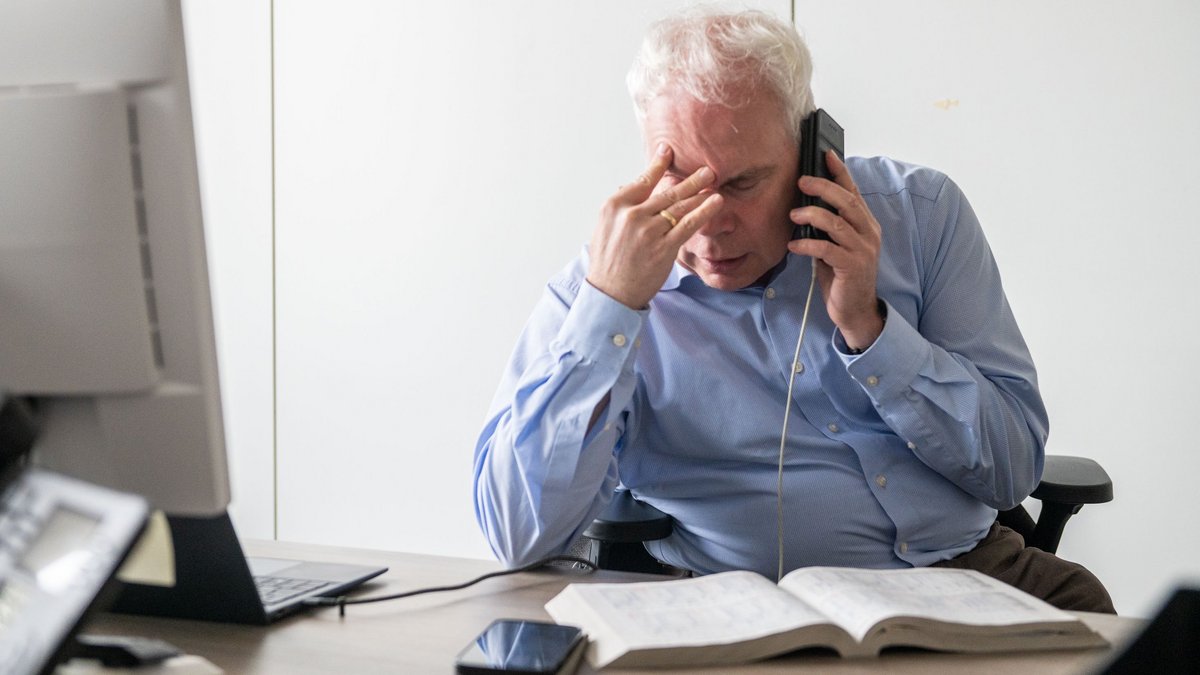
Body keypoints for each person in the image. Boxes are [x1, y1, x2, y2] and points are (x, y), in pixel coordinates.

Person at [472, 8, 1114, 613]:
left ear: (809, 152)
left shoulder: (922, 214)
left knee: (1094, 619)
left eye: (741, 183)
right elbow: (517, 536)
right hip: (726, 601)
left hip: (963, 573)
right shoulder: (599, 289)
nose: (710, 225)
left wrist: (871, 329)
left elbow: (1012, 471)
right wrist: (609, 313)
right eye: (680, 181)